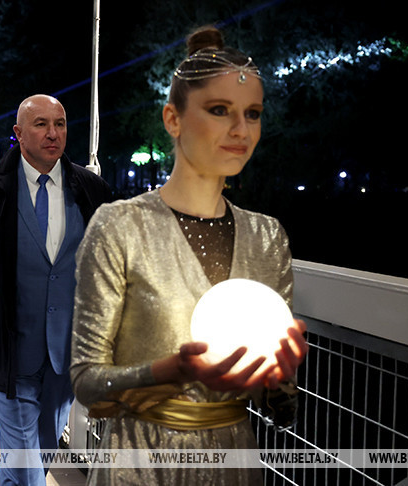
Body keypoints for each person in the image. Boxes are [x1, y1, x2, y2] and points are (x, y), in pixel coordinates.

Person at [69, 26, 309, 485]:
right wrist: (170, 371)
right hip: (139, 463)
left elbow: (282, 410)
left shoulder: (267, 238)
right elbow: (86, 384)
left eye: (252, 113)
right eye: (219, 111)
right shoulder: (120, 226)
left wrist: (280, 380)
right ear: (172, 119)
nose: (241, 130)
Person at [0, 94, 113, 485]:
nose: (53, 133)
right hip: (7, 351)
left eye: (60, 123)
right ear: (18, 133)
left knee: (37, 452)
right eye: (41, 124)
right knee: (25, 461)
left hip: (66, 356)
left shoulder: (92, 189)